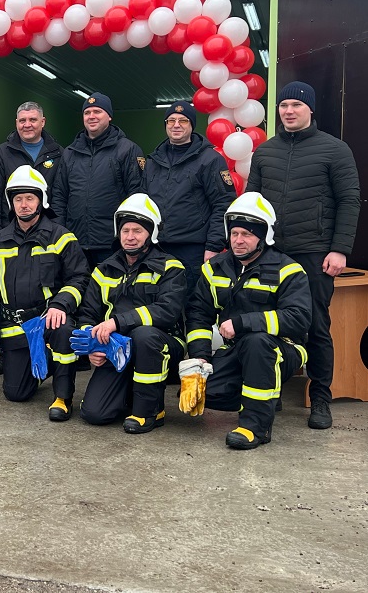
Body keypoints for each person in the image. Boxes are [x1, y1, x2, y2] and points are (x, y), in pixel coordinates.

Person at [246, 81, 360, 430]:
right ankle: (272, 389)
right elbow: (252, 202)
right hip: (271, 254)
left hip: (314, 252)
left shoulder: (335, 149)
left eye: (296, 105)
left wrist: (339, 249)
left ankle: (321, 399)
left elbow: (349, 201)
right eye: (283, 106)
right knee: (268, 323)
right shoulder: (265, 152)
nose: (289, 111)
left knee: (316, 325)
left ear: (310, 110)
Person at [184, 192, 311, 449]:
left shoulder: (289, 270)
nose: (238, 241)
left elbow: (298, 318)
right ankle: (268, 397)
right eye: (234, 234)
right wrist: (200, 358)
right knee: (209, 396)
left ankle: (255, 427)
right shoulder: (214, 268)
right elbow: (198, 312)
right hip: (234, 349)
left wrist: (242, 323)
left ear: (263, 236)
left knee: (257, 342)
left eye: (247, 235)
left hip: (282, 349)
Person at [0, 166, 88, 420]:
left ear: (41, 200)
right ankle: (45, 364)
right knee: (16, 393)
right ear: (10, 203)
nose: (24, 205)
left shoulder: (62, 238)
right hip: (14, 327)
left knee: (64, 331)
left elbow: (79, 277)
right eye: (18, 199)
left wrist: (60, 304)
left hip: (49, 319)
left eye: (29, 198)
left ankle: (63, 397)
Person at [77, 194, 186, 432]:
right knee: (94, 413)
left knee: (143, 335)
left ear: (151, 234)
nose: (130, 237)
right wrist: (94, 347)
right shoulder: (103, 270)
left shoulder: (171, 267)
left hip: (161, 346)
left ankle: (150, 412)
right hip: (115, 350)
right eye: (125, 230)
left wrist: (117, 322)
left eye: (137, 230)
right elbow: (87, 313)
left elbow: (167, 311)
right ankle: (128, 395)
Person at [143, 101, 235, 296]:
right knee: (158, 305)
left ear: (192, 125)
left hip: (194, 250)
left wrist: (214, 246)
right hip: (157, 249)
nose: (176, 125)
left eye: (183, 121)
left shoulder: (210, 159)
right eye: (171, 120)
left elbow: (223, 204)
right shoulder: (152, 161)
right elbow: (143, 205)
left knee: (193, 307)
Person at [51, 93, 145, 269]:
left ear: (109, 116)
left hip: (112, 244)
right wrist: (60, 234)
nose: (91, 116)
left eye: (98, 111)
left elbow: (137, 197)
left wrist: (129, 237)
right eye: (87, 113)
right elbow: (59, 196)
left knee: (111, 294)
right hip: (75, 243)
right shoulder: (70, 153)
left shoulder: (127, 150)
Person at [0, 101, 61, 238]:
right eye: (22, 120)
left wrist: (58, 231)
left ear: (43, 122)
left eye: (33, 120)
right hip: (10, 233)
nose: (27, 125)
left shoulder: (58, 153)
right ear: (16, 123)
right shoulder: (1, 154)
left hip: (49, 234)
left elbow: (61, 197)